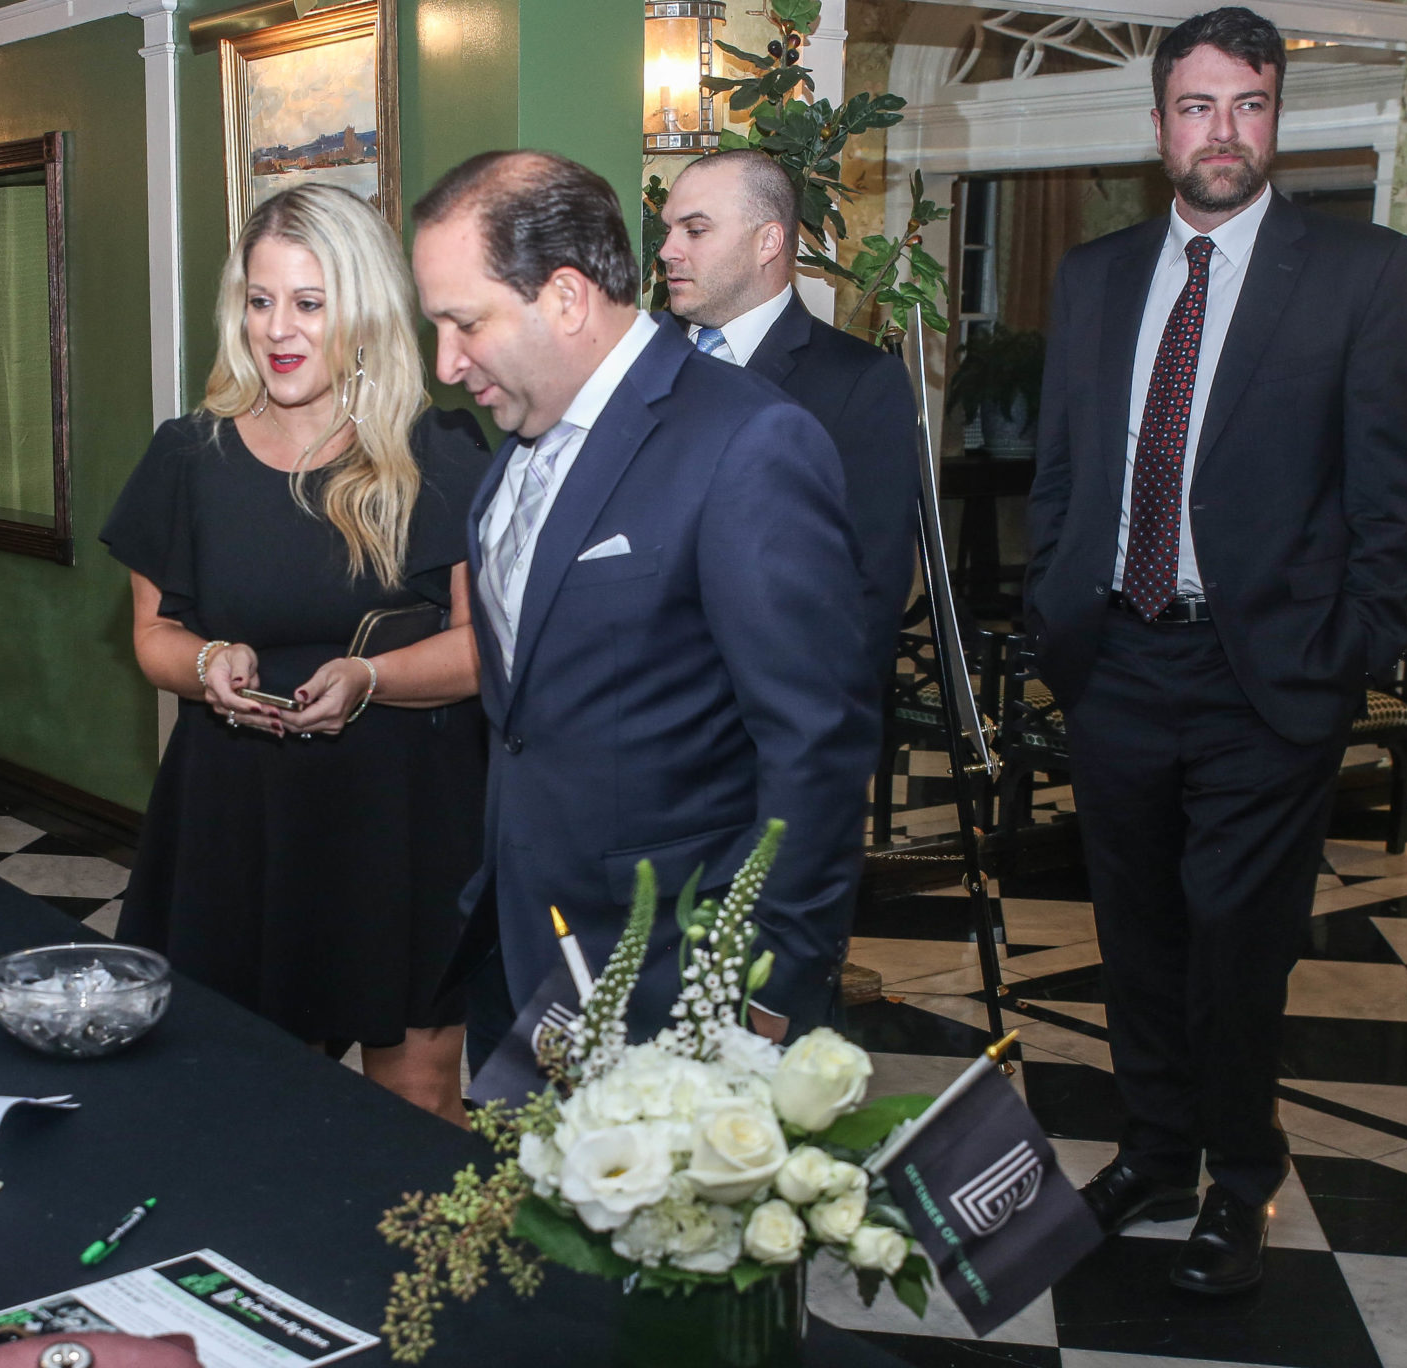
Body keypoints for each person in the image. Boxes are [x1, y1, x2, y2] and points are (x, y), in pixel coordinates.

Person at [1028, 8, 1407, 1294]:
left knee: (1236, 944)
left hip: (1267, 674)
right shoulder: (1095, 276)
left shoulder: (1361, 271)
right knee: (1134, 932)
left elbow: (1391, 496)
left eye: (1248, 105)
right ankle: (1155, 1152)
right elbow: (1060, 471)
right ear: (1159, 125)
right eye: (1198, 107)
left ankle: (1239, 1178)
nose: (1224, 131)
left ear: (1274, 120)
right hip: (1116, 660)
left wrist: (1349, 651)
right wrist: (1054, 608)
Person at [410, 151, 878, 1040]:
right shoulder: (514, 445)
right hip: (524, 952)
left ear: (567, 297)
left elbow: (815, 745)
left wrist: (769, 991)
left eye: (465, 323)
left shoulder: (748, 442)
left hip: (678, 978)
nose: (447, 362)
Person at [103, 185, 492, 1121]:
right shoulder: (188, 457)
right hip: (241, 813)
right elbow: (153, 636)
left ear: (362, 310)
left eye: (309, 302)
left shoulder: (436, 448)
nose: (278, 328)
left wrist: (371, 676)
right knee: (259, 1104)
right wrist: (207, 663)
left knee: (415, 1100)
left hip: (405, 813)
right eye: (260, 299)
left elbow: (485, 650)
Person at [657, 147, 919, 678]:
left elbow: (866, 592)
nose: (667, 251)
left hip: (761, 707)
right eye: (668, 230)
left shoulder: (859, 383)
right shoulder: (635, 361)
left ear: (768, 242)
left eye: (695, 231)